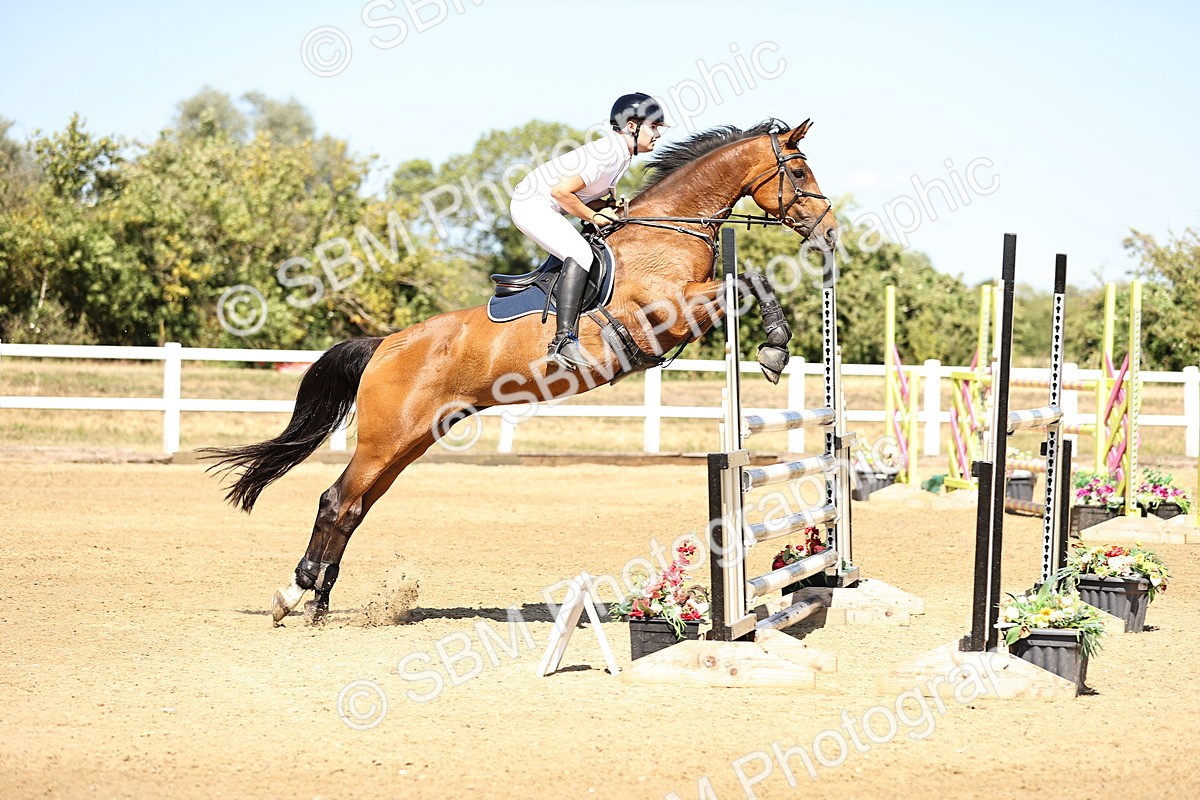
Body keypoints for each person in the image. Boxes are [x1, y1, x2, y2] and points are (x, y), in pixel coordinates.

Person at [510, 92, 669, 369]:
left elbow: (583, 195)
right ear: (632, 126)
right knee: (581, 254)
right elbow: (561, 192)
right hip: (532, 205)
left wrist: (605, 207)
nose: (657, 134)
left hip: (546, 205)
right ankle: (563, 341)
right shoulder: (609, 154)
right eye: (653, 126)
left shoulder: (620, 156)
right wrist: (595, 216)